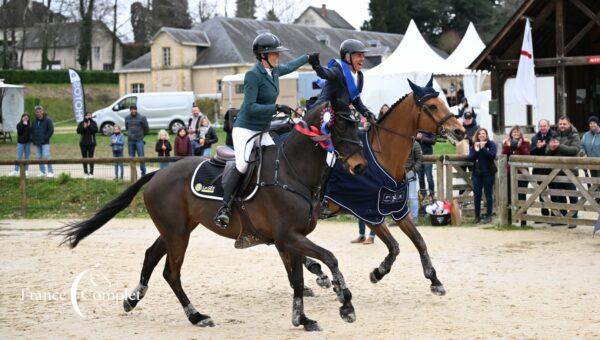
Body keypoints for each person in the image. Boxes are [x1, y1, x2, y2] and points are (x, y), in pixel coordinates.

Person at [214, 33, 312, 228]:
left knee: (276, 161)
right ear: (263, 55)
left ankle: (270, 202)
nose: (279, 57)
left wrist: (308, 57)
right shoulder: (253, 75)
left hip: (262, 129)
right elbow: (249, 107)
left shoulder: (274, 71)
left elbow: (290, 67)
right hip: (245, 129)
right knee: (242, 164)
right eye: (275, 53)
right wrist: (275, 108)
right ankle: (224, 207)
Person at [309, 39, 375, 119]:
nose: (362, 58)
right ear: (348, 57)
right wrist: (317, 66)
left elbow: (355, 99)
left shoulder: (360, 76)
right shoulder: (337, 70)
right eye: (359, 55)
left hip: (342, 114)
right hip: (323, 113)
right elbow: (325, 73)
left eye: (363, 55)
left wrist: (365, 111)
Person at [546, 116, 581, 228]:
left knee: (572, 195)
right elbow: (547, 151)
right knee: (558, 195)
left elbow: (575, 150)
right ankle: (561, 218)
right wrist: (551, 148)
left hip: (570, 170)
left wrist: (558, 146)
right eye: (560, 124)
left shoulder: (574, 135)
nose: (562, 126)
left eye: (564, 124)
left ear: (569, 124)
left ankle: (573, 219)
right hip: (556, 171)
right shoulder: (555, 135)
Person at [501, 126, 530, 226]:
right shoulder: (506, 143)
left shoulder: (525, 143)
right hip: (510, 172)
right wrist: (509, 146)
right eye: (514, 132)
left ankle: (523, 219)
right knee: (509, 195)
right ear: (511, 134)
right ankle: (509, 218)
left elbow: (526, 154)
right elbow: (504, 155)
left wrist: (516, 146)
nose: (516, 134)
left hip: (522, 173)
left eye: (517, 133)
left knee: (522, 196)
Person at [469, 128, 497, 224]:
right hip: (477, 174)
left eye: (483, 133)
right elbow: (471, 158)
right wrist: (476, 150)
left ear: (486, 135)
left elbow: (492, 156)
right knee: (477, 194)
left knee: (488, 194)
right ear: (477, 135)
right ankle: (477, 216)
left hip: (488, 173)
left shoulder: (491, 144)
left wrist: (483, 148)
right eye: (479, 134)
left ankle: (489, 215)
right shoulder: (474, 145)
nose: (481, 135)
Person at [530, 119, 555, 217]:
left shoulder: (554, 135)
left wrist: (545, 146)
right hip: (539, 169)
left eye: (544, 126)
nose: (543, 128)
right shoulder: (535, 137)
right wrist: (538, 147)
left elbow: (554, 150)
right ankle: (544, 213)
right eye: (541, 126)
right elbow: (531, 152)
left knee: (553, 191)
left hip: (551, 168)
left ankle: (554, 213)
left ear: (549, 126)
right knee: (541, 192)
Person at [125, 104, 149, 176]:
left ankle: (143, 174)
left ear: (136, 109)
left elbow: (147, 129)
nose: (133, 111)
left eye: (134, 109)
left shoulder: (142, 117)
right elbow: (127, 128)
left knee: (141, 157)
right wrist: (129, 134)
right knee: (131, 158)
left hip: (139, 140)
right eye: (131, 109)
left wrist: (141, 136)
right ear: (130, 110)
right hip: (130, 141)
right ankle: (134, 174)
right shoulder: (127, 118)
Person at [30, 105, 54, 178]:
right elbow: (31, 131)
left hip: (45, 142)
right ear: (35, 113)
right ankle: (42, 171)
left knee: (46, 156)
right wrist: (33, 139)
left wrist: (45, 138)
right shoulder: (34, 121)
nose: (38, 113)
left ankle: (50, 172)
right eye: (37, 112)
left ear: (42, 112)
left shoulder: (48, 120)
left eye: (40, 111)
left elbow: (51, 130)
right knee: (39, 157)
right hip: (37, 143)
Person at [76, 111, 98, 179]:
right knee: (84, 158)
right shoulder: (81, 123)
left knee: (91, 158)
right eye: (87, 115)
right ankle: (85, 172)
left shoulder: (93, 123)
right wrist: (84, 127)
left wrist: (89, 125)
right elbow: (78, 131)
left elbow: (95, 130)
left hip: (91, 143)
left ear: (91, 116)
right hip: (83, 144)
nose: (89, 116)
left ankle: (91, 173)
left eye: (90, 115)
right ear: (85, 116)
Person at [406, 140, 423, 223]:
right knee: (399, 197)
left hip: (409, 172)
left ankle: (414, 219)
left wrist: (414, 169)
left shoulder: (415, 143)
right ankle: (401, 219)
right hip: (397, 173)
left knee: (412, 197)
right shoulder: (397, 141)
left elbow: (419, 158)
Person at [416, 130, 436, 198]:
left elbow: (433, 141)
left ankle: (431, 195)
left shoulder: (430, 129)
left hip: (428, 157)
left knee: (429, 177)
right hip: (418, 157)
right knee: (420, 178)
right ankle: (423, 195)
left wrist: (422, 137)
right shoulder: (417, 129)